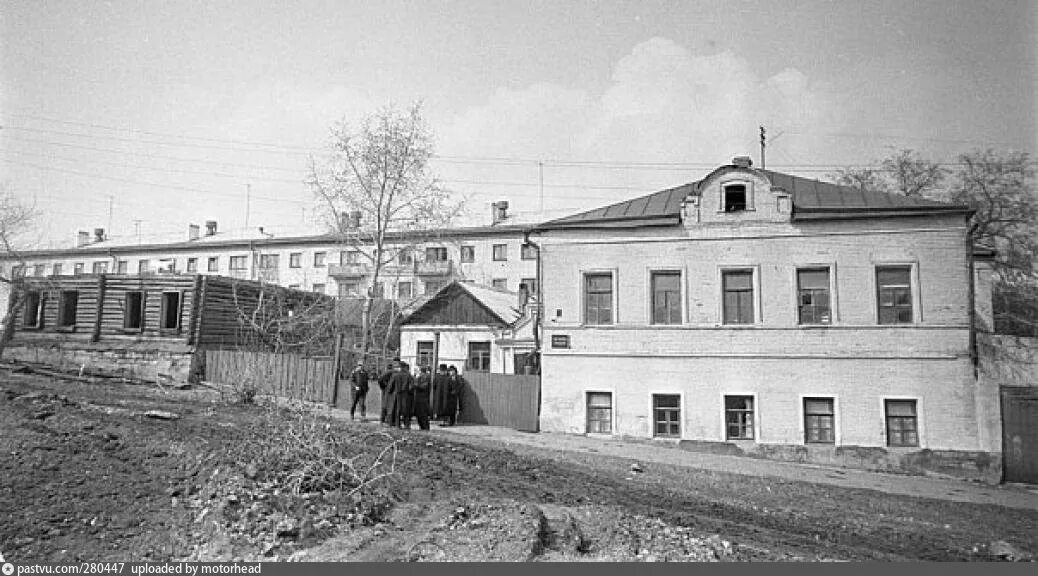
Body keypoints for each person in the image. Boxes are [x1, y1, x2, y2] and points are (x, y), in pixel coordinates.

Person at [388, 360, 414, 429]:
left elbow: (391, 386)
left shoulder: (395, 375)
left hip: (397, 394)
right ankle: (407, 424)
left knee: (398, 410)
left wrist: (390, 392)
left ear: (400, 367)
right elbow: (411, 387)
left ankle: (397, 424)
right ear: (405, 367)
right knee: (406, 410)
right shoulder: (409, 376)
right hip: (406, 395)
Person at [412, 365, 432, 430]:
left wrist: (416, 385)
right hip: (419, 398)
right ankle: (423, 427)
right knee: (420, 414)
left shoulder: (426, 377)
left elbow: (423, 387)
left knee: (423, 414)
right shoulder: (421, 377)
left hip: (423, 398)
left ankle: (425, 427)